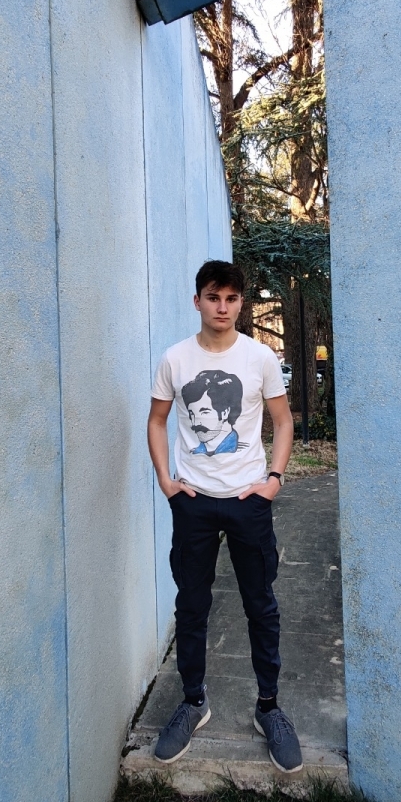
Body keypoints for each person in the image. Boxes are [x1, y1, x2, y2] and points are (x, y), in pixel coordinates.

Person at [147, 259, 302, 773]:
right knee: (191, 606)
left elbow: (282, 421)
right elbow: (157, 420)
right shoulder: (175, 359)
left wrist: (273, 480)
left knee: (261, 605)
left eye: (231, 298)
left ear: (241, 303)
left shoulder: (260, 357)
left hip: (247, 501)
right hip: (193, 502)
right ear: (197, 301)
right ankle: (194, 702)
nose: (222, 307)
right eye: (213, 297)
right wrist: (167, 480)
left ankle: (269, 708)